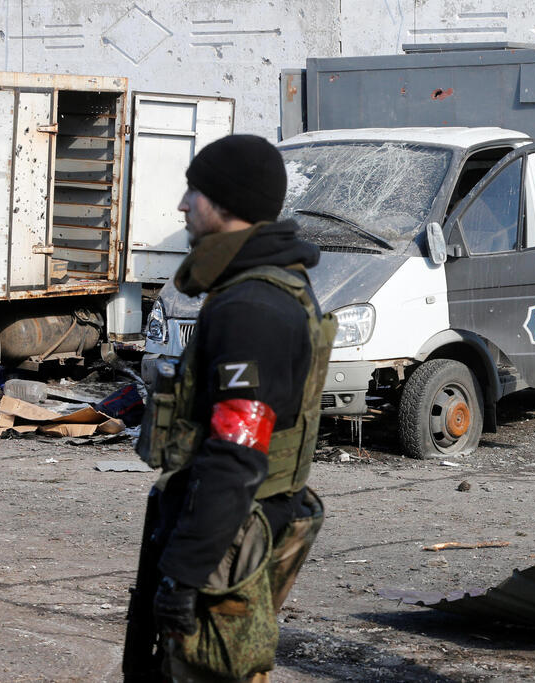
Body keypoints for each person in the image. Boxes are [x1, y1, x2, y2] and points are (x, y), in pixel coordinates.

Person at [124, 134, 335, 682]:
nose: (182, 205)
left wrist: (186, 573)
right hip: (230, 528)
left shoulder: (253, 308)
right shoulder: (260, 289)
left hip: (230, 536)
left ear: (225, 203)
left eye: (194, 190)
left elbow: (235, 454)